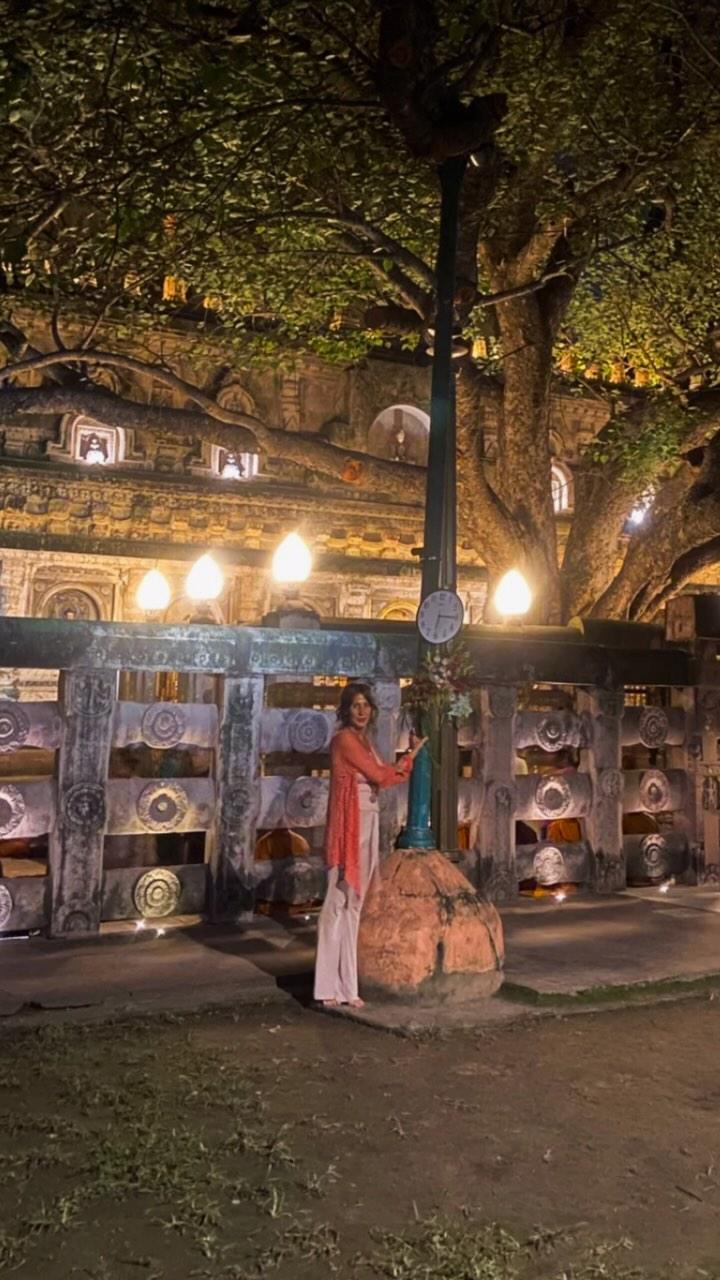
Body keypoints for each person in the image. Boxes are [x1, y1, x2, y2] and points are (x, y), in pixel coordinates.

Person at [314, 682, 426, 1009]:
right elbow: (380, 775)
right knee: (337, 901)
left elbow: (386, 775)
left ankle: (348, 987)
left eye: (366, 705)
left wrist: (408, 758)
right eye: (355, 706)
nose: (362, 711)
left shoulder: (366, 741)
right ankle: (326, 986)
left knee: (354, 903)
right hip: (348, 823)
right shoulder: (344, 740)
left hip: (368, 819)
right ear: (346, 710)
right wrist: (408, 758)